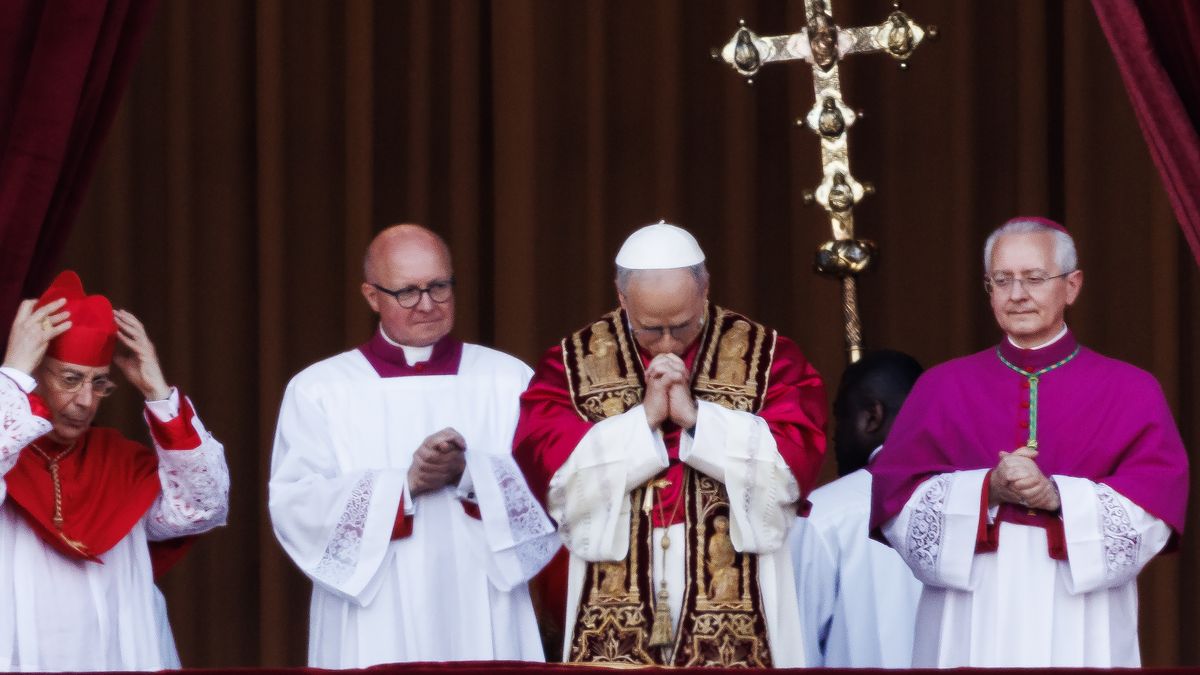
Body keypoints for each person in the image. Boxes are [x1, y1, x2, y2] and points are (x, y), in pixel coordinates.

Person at [870, 217, 1188, 667]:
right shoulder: (940, 387)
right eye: (1002, 280)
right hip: (970, 607)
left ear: (1072, 286)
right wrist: (986, 489)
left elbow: (1155, 503)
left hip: (1082, 607)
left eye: (1034, 278)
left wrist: (1058, 495)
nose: (1017, 294)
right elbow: (895, 500)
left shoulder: (1131, 390)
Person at [514, 222, 827, 667]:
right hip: (616, 568)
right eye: (649, 329)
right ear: (621, 298)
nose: (667, 344)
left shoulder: (767, 356)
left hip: (738, 572)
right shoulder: (573, 361)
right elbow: (552, 471)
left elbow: (794, 465)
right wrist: (643, 421)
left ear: (705, 290)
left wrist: (698, 419)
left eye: (680, 326)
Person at [269, 223, 557, 667]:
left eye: (439, 287)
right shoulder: (321, 388)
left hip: (481, 593)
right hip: (375, 607)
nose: (427, 304)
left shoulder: (506, 378)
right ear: (371, 296)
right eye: (407, 292)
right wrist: (403, 485)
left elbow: (552, 489)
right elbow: (296, 506)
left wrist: (469, 473)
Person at [0, 270, 229, 671]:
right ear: (37, 372)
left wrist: (157, 391)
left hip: (117, 653)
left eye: (100, 384)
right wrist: (13, 371)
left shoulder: (120, 461)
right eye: (70, 379)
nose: (86, 400)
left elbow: (202, 506)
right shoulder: (9, 454)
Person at [787, 350, 924, 667]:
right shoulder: (973, 503)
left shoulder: (822, 515)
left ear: (872, 416)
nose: (834, 435)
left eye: (840, 417)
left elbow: (795, 650)